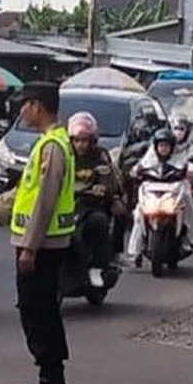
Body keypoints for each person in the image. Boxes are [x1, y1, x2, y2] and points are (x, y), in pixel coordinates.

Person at [0, 82, 75, 384]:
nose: (21, 112)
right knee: (39, 311)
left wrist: (30, 247)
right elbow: (28, 191)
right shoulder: (50, 142)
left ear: (38, 106)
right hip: (42, 243)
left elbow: (45, 200)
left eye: (24, 105)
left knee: (38, 313)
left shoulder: (53, 146)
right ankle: (51, 383)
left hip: (42, 246)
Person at [67, 112, 124, 289]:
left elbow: (109, 179)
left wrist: (103, 189)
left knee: (99, 221)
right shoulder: (65, 156)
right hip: (67, 205)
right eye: (76, 140)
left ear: (92, 140)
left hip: (90, 205)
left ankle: (97, 266)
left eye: (84, 140)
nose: (80, 145)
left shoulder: (100, 156)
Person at [126, 127, 193, 263]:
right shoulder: (151, 155)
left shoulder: (181, 154)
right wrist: (135, 171)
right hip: (151, 188)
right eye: (161, 145)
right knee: (138, 213)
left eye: (166, 146)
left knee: (188, 201)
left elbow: (192, 166)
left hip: (175, 188)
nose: (163, 149)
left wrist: (191, 171)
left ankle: (190, 239)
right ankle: (134, 252)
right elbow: (139, 166)